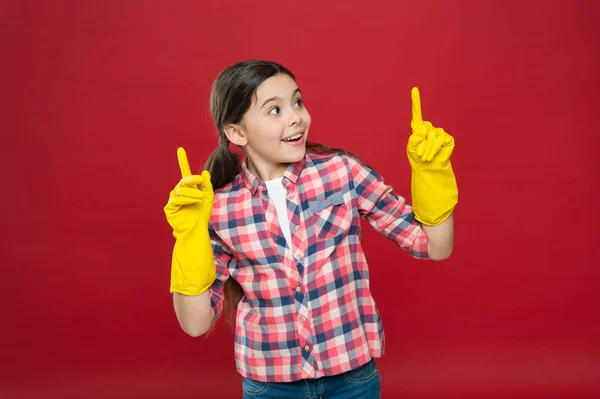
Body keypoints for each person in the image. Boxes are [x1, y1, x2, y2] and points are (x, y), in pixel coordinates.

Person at [163, 59, 457, 399]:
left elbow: (434, 246)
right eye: (275, 110)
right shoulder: (219, 208)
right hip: (270, 387)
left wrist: (432, 175)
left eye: (298, 101)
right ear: (236, 132)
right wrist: (188, 239)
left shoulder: (341, 173)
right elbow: (195, 323)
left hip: (352, 379)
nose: (296, 117)